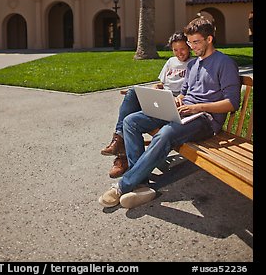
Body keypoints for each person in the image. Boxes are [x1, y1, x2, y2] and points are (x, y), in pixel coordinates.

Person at [98, 17, 241, 209]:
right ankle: (141, 186)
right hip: (184, 111)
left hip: (205, 120)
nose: (192, 46)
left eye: (195, 42)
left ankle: (123, 186)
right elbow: (186, 92)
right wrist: (179, 99)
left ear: (209, 39)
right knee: (131, 121)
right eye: (190, 42)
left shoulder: (225, 63)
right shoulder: (193, 65)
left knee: (165, 133)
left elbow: (232, 103)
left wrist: (198, 107)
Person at [101, 32, 193, 178]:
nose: (179, 53)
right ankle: (119, 138)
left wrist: (180, 98)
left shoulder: (193, 64)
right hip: (162, 99)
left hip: (174, 104)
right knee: (132, 93)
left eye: (182, 49)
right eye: (175, 50)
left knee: (131, 121)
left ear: (189, 47)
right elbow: (162, 83)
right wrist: (157, 87)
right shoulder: (170, 61)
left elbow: (192, 90)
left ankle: (121, 152)